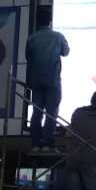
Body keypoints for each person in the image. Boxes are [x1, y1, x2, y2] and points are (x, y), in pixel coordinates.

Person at [26, 13, 70, 152]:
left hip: (36, 81)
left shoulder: (32, 38)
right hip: (52, 80)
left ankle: (35, 144)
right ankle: (48, 144)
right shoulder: (57, 36)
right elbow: (66, 52)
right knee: (51, 112)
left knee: (36, 112)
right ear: (50, 22)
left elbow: (28, 57)